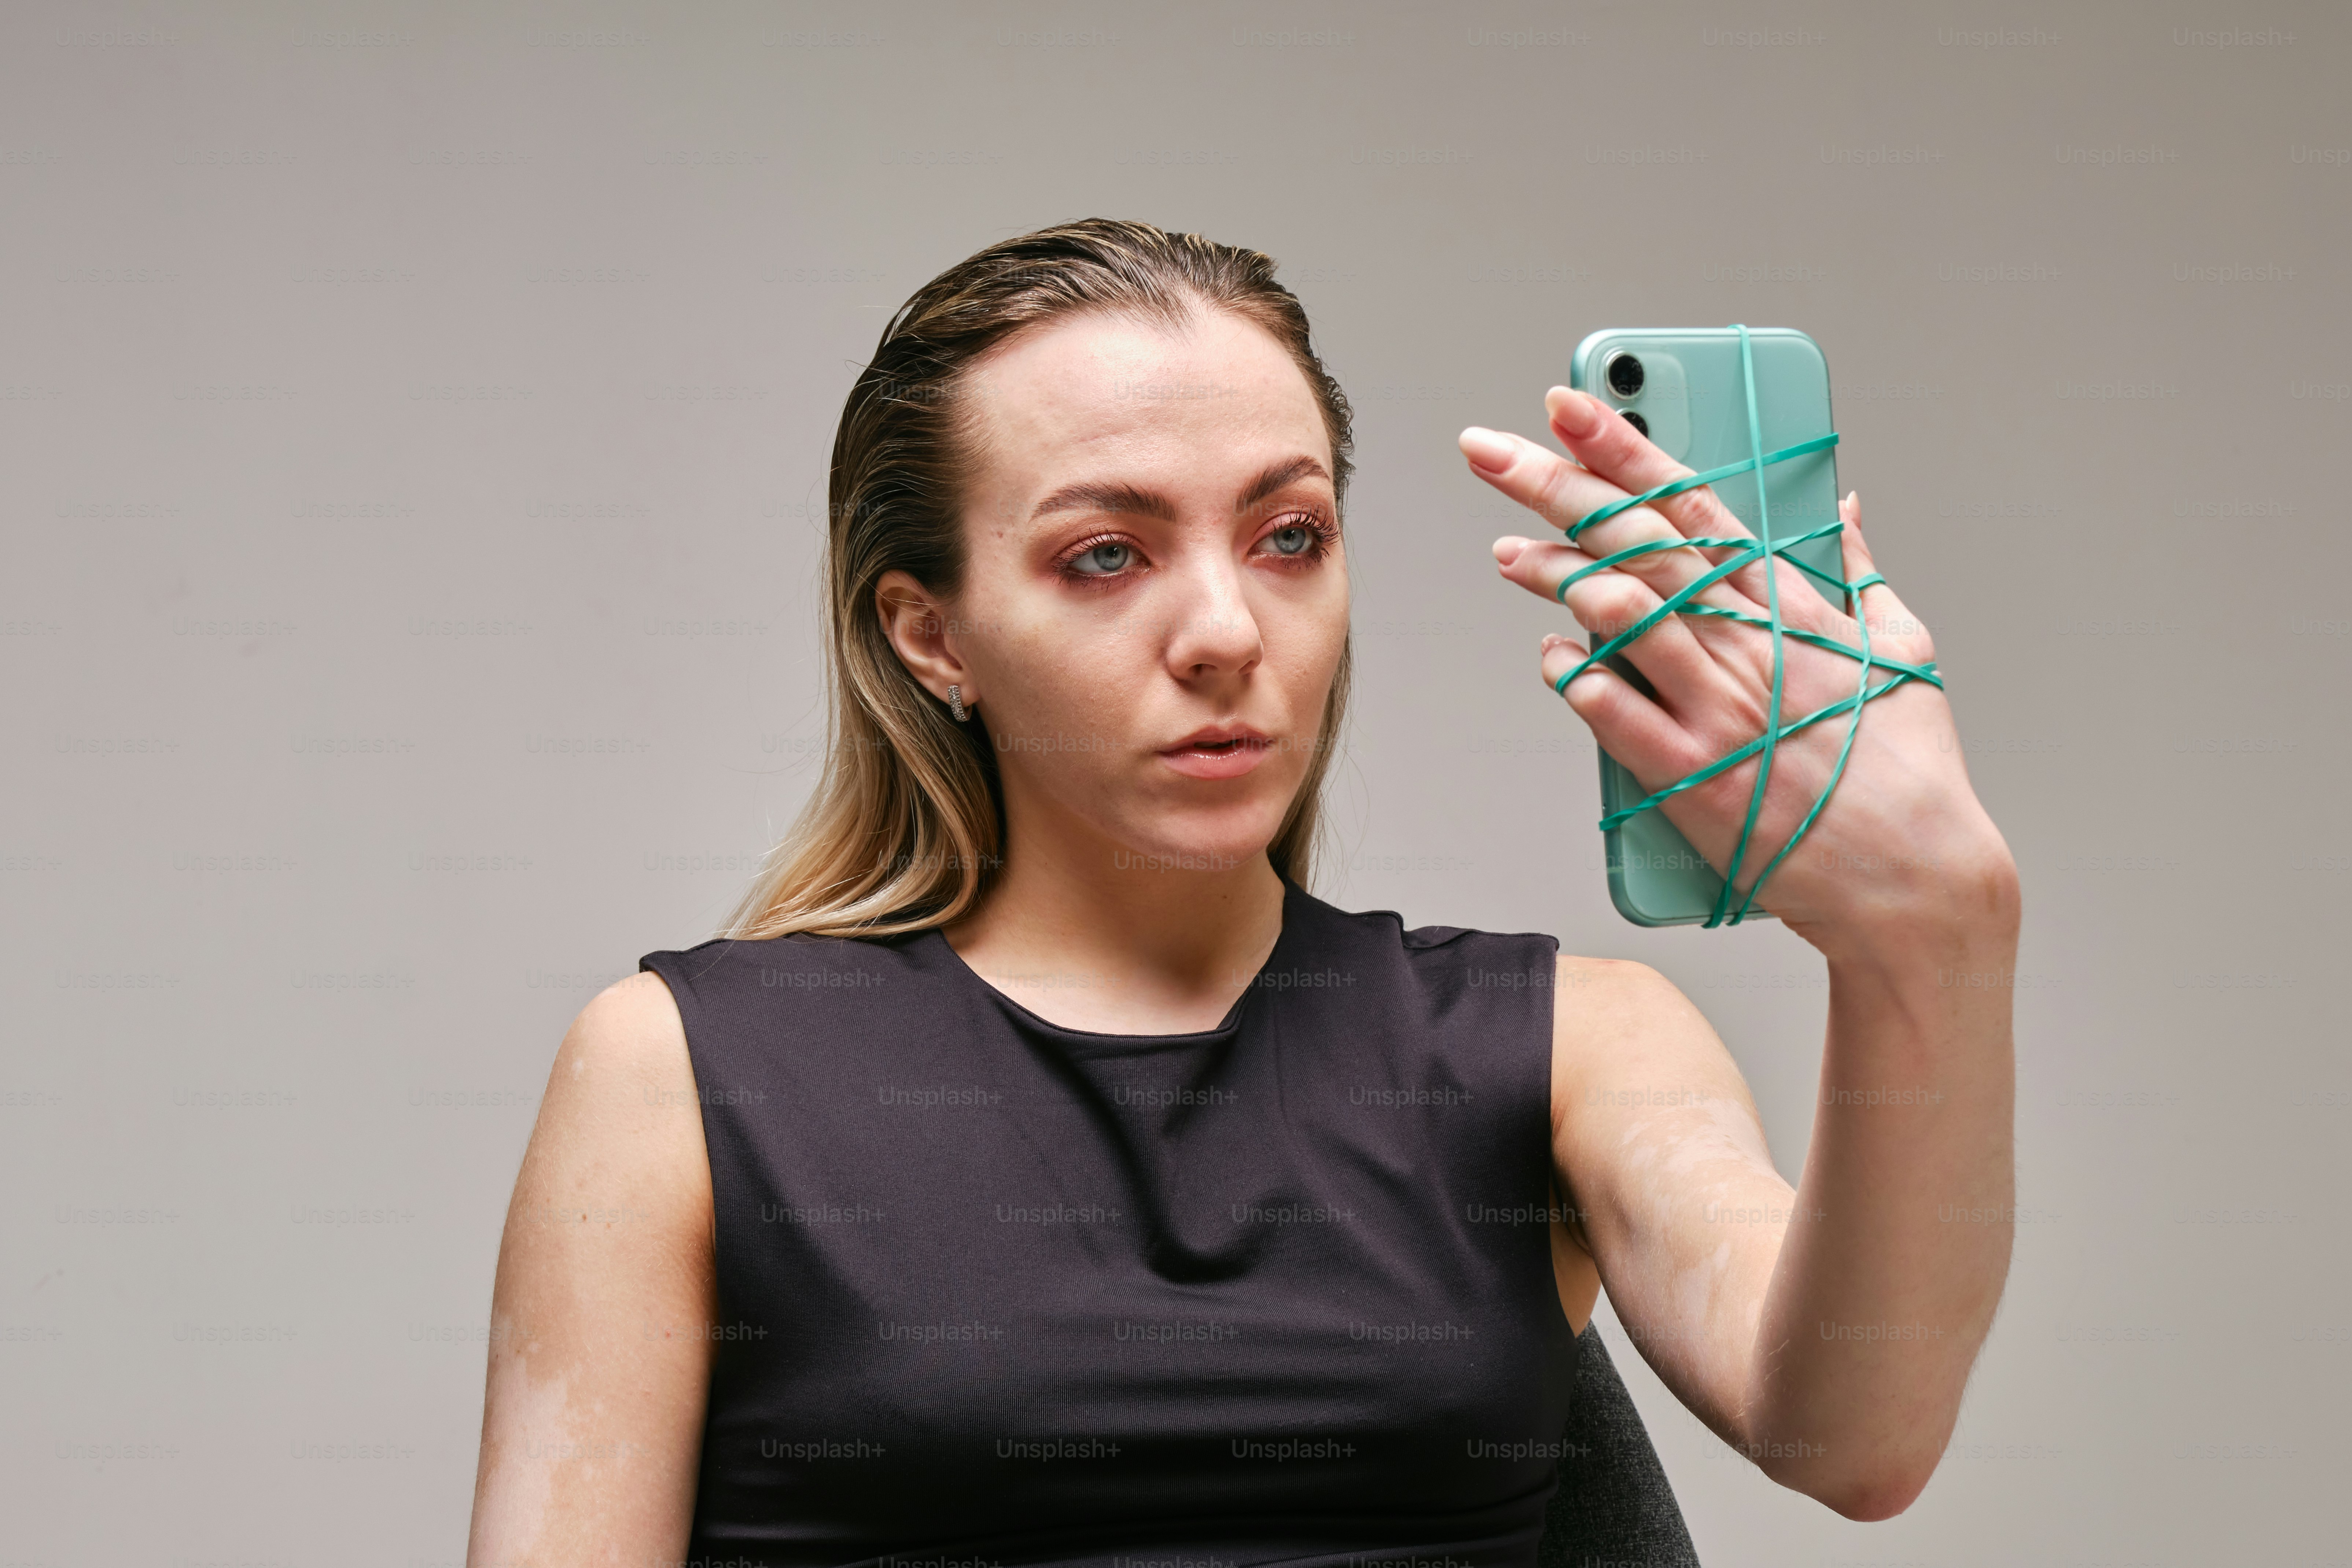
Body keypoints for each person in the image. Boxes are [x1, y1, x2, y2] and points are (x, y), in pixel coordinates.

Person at [464, 219, 2020, 1566]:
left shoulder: (1559, 1044)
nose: (1225, 627)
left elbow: (1859, 1431)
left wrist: (1930, 936)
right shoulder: (678, 1074)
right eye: (1103, 554)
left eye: (1289, 536)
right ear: (929, 634)